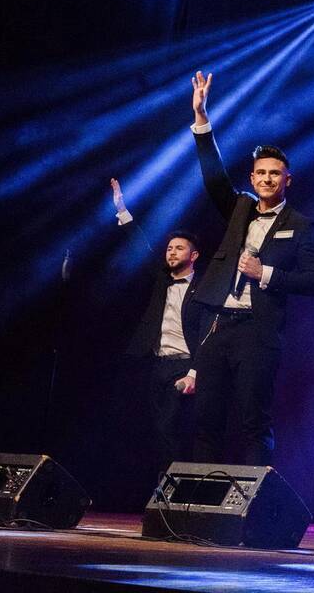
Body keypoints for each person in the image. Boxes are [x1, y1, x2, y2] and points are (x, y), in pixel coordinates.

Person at [187, 71, 314, 466]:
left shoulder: (302, 225)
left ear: (287, 180)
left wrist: (264, 273)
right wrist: (202, 119)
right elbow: (214, 178)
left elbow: (313, 281)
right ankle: (200, 498)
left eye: (274, 173)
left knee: (253, 421)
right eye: (261, 173)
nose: (267, 179)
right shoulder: (240, 208)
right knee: (205, 420)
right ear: (252, 178)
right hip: (218, 324)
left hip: (257, 330)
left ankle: (253, 500)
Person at [109, 178, 204, 475]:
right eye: (169, 248)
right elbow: (141, 245)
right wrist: (122, 209)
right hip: (157, 364)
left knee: (173, 428)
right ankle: (165, 486)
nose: (171, 252)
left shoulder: (204, 287)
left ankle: (178, 486)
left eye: (179, 248)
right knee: (156, 431)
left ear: (193, 256)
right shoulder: (163, 279)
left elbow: (208, 333)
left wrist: (194, 372)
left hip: (186, 365)